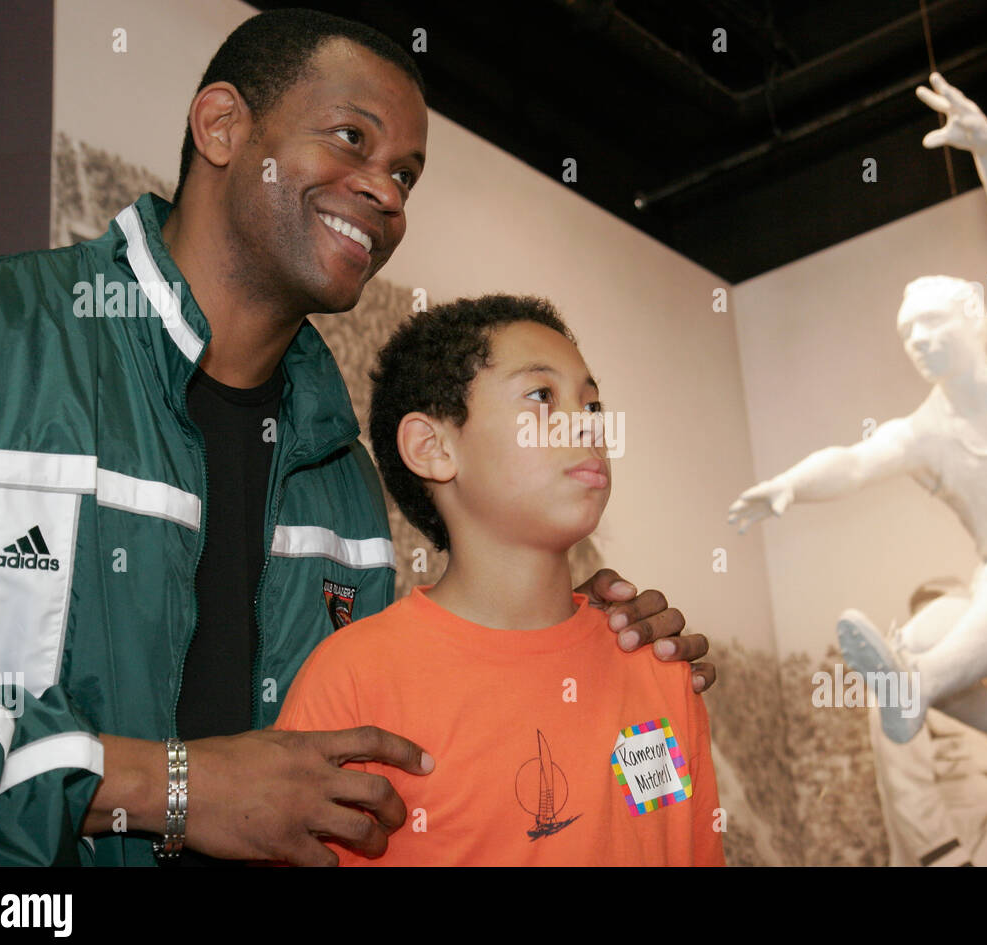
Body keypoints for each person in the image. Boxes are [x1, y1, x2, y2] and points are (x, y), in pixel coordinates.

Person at [0, 10, 712, 866]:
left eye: (406, 174)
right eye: (350, 139)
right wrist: (169, 787)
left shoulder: (345, 487)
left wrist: (579, 636)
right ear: (223, 126)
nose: (387, 192)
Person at [727, 73, 987, 784]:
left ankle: (914, 688)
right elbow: (855, 461)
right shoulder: (927, 431)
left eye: (931, 324)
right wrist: (791, 484)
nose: (917, 339)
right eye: (906, 332)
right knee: (917, 634)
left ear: (975, 320)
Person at [275, 295, 725, 865]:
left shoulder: (656, 666)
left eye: (593, 405)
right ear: (433, 447)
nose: (588, 426)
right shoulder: (353, 681)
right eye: (542, 396)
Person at [868, 578, 987, 867]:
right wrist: (951, 860)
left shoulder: (985, 700)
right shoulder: (899, 693)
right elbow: (908, 792)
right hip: (962, 856)